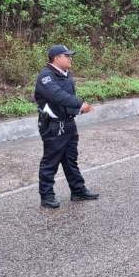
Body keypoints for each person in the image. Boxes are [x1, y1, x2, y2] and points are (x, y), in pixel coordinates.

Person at [34, 44, 98, 208]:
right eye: (67, 55)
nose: (71, 58)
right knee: (51, 161)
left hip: (69, 124)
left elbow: (68, 98)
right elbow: (57, 96)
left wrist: (78, 110)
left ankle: (78, 191)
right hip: (53, 126)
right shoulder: (46, 77)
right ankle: (47, 196)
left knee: (70, 160)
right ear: (57, 58)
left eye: (70, 55)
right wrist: (80, 103)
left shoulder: (66, 75)